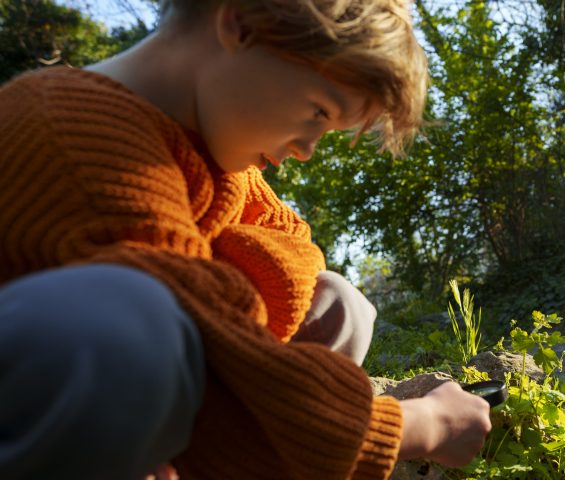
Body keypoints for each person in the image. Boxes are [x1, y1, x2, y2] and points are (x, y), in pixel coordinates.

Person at [0, 0, 492, 479]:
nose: (305, 150)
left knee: (335, 302)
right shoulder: (78, 134)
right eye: (319, 111)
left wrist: (217, 290)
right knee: (140, 315)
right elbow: (225, 373)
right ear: (240, 24)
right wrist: (426, 424)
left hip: (129, 411)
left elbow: (295, 245)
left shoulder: (209, 148)